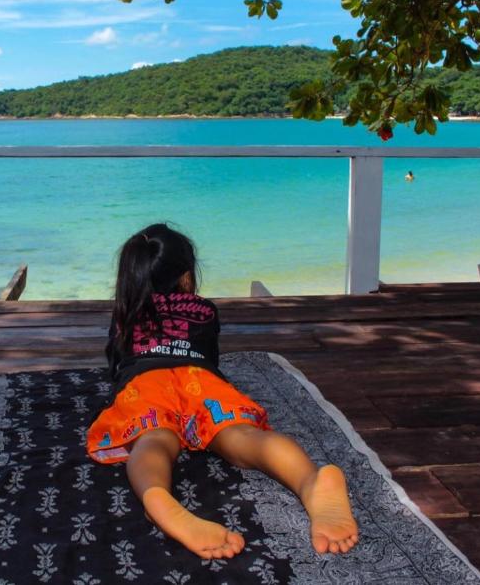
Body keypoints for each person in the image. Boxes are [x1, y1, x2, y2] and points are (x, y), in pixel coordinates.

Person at [86, 223, 358, 560]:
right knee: (240, 436)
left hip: (146, 383)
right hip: (201, 379)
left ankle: (156, 494)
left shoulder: (124, 317)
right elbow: (209, 358)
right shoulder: (204, 310)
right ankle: (311, 483)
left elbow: (117, 365)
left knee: (154, 439)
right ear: (187, 277)